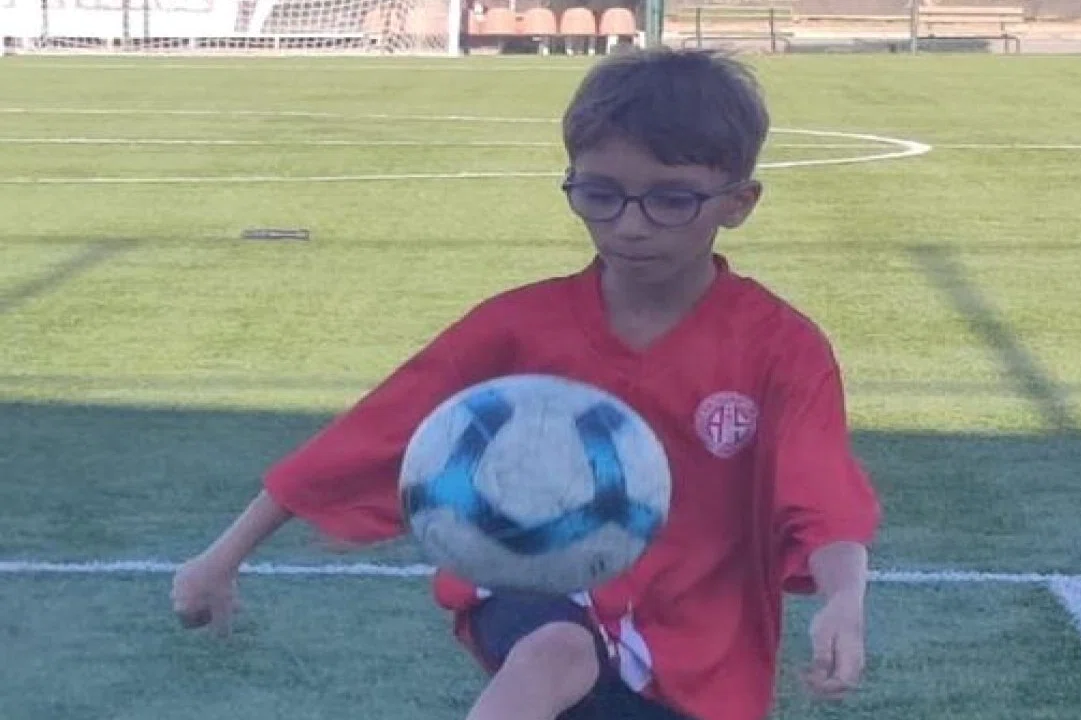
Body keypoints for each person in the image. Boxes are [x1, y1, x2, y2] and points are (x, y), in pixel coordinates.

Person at [171, 48, 882, 720]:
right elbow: (378, 430)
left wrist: (844, 600)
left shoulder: (781, 348)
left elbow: (820, 490)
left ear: (739, 201)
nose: (630, 225)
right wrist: (220, 557)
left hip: (703, 651)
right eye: (600, 194)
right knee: (555, 651)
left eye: (670, 200)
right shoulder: (518, 326)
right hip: (533, 583)